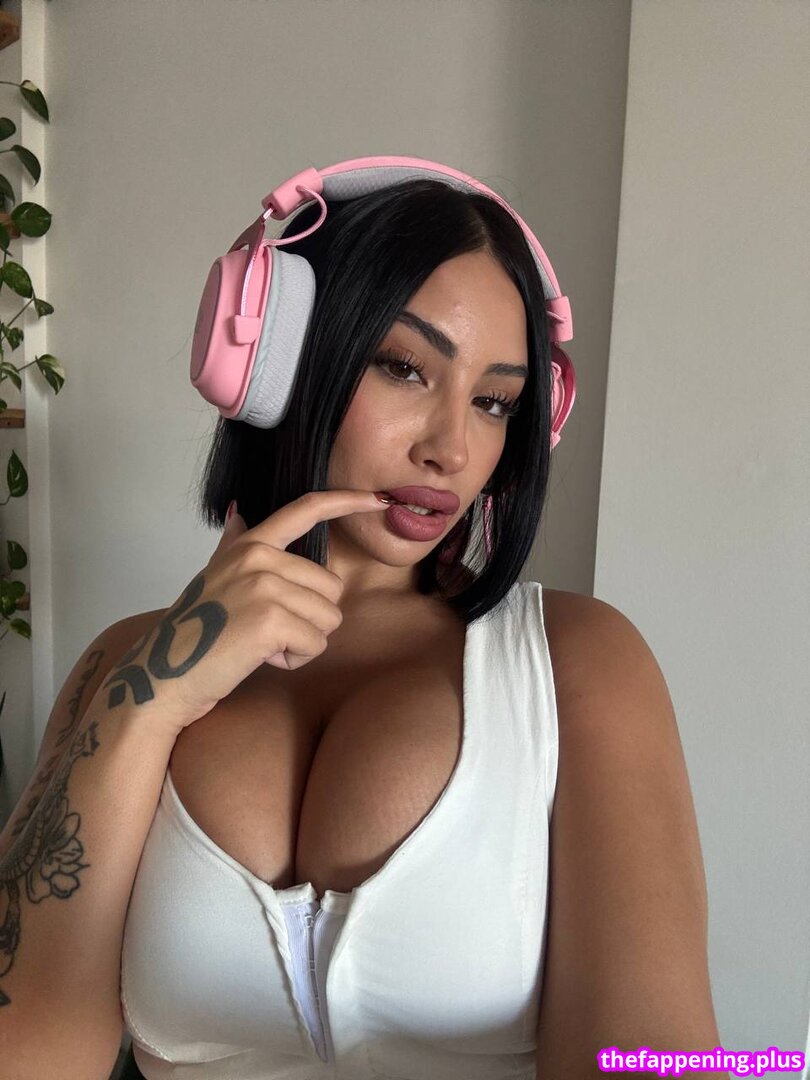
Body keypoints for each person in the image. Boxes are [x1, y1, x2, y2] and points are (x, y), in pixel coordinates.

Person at [0, 172, 725, 1079]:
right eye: (405, 367)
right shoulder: (125, 660)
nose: (451, 448)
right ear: (277, 360)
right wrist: (150, 702)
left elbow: (654, 1061)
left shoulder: (578, 664)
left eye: (495, 402)